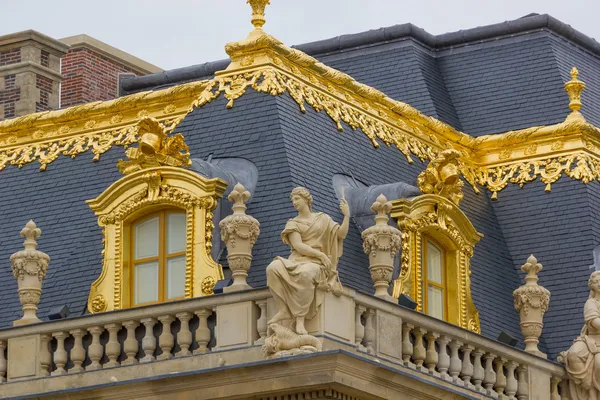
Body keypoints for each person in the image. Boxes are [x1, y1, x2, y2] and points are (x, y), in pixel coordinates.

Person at [266, 187, 349, 335]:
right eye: (292, 200)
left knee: (306, 274)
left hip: (316, 264)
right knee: (272, 267)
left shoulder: (323, 219)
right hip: (298, 259)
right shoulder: (293, 223)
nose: (294, 203)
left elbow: (341, 234)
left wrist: (347, 215)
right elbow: (298, 246)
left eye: (297, 199)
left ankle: (300, 320)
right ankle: (283, 309)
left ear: (306, 199)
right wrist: (321, 255)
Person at [562, 271, 600, 400]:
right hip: (591, 339)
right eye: (596, 281)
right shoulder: (591, 303)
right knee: (574, 354)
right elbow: (595, 322)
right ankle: (586, 385)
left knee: (599, 363)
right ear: (592, 285)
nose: (599, 284)